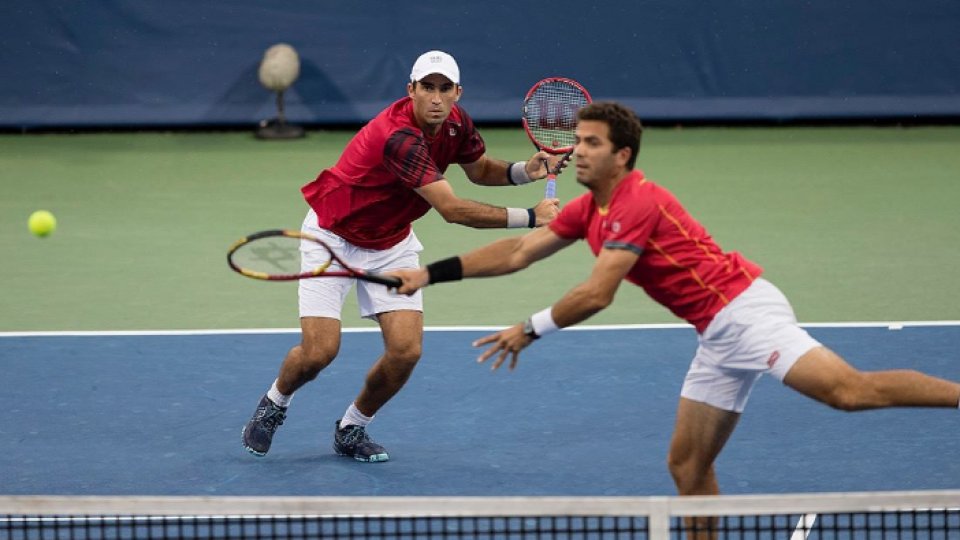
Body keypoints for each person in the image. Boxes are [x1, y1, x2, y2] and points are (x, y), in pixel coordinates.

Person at [390, 102, 960, 506]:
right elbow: (517, 251)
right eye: (579, 141)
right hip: (714, 334)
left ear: (623, 155)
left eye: (592, 143)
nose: (579, 151)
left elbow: (598, 292)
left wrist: (530, 328)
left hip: (745, 312)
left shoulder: (639, 200)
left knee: (848, 392)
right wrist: (428, 274)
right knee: (687, 467)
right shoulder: (589, 209)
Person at [241, 50, 562, 463]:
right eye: (426, 87)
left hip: (390, 243)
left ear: (457, 93)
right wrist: (532, 216)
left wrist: (524, 171)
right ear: (410, 90)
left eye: (444, 89)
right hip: (333, 237)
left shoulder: (456, 123)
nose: (435, 98)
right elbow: (451, 209)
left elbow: (478, 168)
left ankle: (352, 428)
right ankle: (275, 403)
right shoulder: (399, 137)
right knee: (320, 351)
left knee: (406, 351)